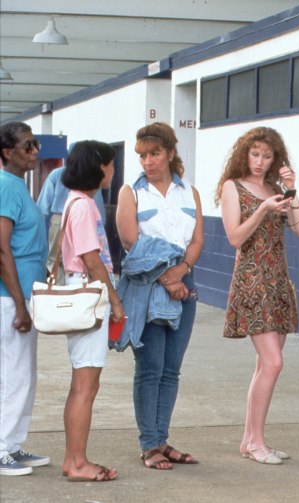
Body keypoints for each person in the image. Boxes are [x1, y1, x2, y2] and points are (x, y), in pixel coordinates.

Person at [217, 127, 299, 465]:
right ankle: (256, 442)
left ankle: (250, 439)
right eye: (255, 154)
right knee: (273, 363)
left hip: (278, 281)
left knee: (264, 365)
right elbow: (235, 237)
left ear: (276, 159)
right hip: (252, 280)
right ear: (245, 154)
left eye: (267, 156)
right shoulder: (233, 187)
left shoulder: (276, 188)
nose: (260, 161)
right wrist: (263, 209)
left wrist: (292, 190)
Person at [115, 122, 204, 470]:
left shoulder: (189, 193)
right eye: (142, 155)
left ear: (169, 152)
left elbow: (197, 241)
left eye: (154, 154)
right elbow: (130, 244)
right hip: (147, 285)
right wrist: (167, 278)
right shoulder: (131, 192)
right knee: (149, 368)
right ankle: (149, 445)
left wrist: (181, 272)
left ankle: (162, 439)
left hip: (184, 282)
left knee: (171, 369)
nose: (147, 162)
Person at [59, 141, 125, 482]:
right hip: (89, 295)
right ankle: (78, 463)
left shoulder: (77, 202)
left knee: (82, 384)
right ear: (98, 166)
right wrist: (114, 300)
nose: (113, 171)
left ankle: (74, 459)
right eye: (110, 164)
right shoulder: (84, 206)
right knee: (86, 385)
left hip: (82, 291)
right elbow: (91, 258)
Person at [0, 122, 50, 476]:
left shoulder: (20, 186)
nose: (35, 151)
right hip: (9, 298)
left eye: (35, 144)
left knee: (24, 375)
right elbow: (2, 250)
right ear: (7, 152)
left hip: (26, 295)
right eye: (28, 145)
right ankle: (2, 448)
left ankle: (13, 445)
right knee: (13, 375)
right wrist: (19, 304)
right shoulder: (6, 187)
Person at [37, 164, 107, 285]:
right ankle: (76, 290)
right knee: (81, 261)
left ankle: (56, 292)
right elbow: (98, 204)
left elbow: (43, 204)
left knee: (55, 260)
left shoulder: (57, 173)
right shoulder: (91, 174)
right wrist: (100, 225)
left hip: (59, 219)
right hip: (85, 218)